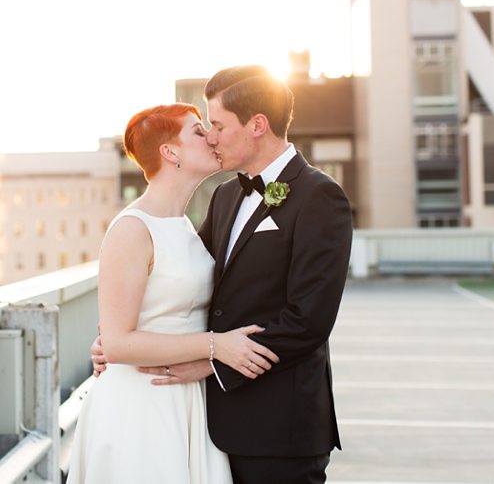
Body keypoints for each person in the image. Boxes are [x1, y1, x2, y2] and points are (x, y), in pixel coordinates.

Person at [93, 67, 353, 484]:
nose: (211, 137)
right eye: (204, 128)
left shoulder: (320, 196)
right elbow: (179, 278)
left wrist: (210, 363)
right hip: (209, 424)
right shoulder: (226, 195)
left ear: (257, 125)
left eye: (217, 125)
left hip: (280, 428)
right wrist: (120, 334)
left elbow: (310, 320)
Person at [66, 103, 279, 484]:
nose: (211, 137)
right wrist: (217, 346)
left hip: (189, 397)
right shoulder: (132, 229)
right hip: (142, 403)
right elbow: (117, 343)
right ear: (170, 152)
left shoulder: (184, 224)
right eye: (198, 131)